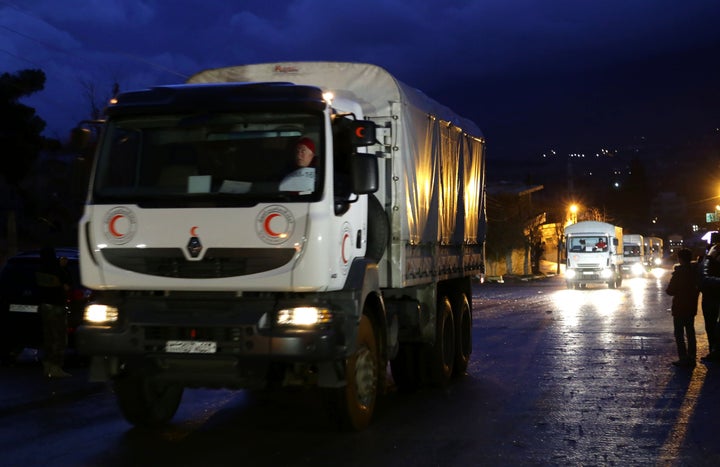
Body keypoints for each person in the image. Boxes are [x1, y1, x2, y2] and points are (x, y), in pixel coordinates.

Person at [35, 246, 72, 378]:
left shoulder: (39, 269)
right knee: (59, 338)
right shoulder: (57, 270)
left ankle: (47, 365)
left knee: (48, 337)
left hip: (44, 306)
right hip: (57, 306)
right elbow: (67, 286)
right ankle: (56, 367)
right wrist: (63, 267)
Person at [665, 248, 700, 368]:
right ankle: (692, 357)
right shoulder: (696, 272)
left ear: (680, 259)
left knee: (679, 334)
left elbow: (670, 291)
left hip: (679, 307)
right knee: (690, 332)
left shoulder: (679, 273)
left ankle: (683, 358)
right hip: (691, 306)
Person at [701, 243, 720, 361]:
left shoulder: (710, 262)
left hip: (711, 301)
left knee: (712, 327)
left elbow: (704, 278)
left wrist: (708, 258)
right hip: (711, 300)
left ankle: (715, 352)